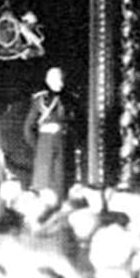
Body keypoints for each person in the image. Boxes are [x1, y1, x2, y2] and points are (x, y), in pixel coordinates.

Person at [24, 67, 79, 197]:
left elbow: (77, 124)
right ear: (48, 81)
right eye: (56, 80)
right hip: (46, 148)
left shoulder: (71, 98)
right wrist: (40, 147)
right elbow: (28, 128)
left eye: (62, 79)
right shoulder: (41, 100)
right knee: (46, 186)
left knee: (64, 185)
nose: (60, 83)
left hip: (65, 148)